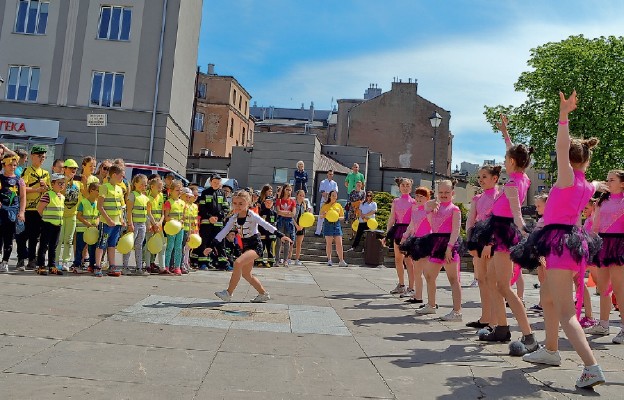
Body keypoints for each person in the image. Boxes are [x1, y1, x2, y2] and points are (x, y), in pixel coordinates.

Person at [515, 91, 605, 388]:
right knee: (550, 299)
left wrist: (563, 116)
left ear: (569, 159)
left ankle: (591, 367)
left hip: (559, 242)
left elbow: (561, 145)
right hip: (571, 241)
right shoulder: (588, 185)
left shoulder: (567, 179)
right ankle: (551, 350)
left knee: (568, 314)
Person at [470, 114, 537, 353]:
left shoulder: (510, 185)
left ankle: (529, 335)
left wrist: (526, 233)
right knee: (493, 281)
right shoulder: (523, 177)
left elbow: (517, 214)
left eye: (506, 158)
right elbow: (513, 151)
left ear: (510, 162)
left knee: (504, 286)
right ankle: (501, 328)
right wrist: (505, 132)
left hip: (503, 232)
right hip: (500, 230)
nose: (504, 159)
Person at [211, 190, 293, 302]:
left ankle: (228, 293)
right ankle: (263, 293)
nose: (237, 206)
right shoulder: (234, 217)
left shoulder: (252, 215)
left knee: (238, 263)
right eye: (235, 203)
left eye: (241, 203)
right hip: (245, 246)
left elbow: (266, 225)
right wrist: (212, 245)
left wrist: (280, 235)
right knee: (246, 274)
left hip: (255, 245)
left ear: (248, 203)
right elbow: (224, 231)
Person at [405, 180, 463, 321]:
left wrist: (449, 248)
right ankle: (431, 305)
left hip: (448, 243)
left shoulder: (454, 209)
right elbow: (428, 222)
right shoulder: (433, 207)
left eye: (447, 192)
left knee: (453, 279)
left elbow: (456, 230)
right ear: (437, 193)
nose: (443, 195)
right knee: (429, 275)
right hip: (435, 242)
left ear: (452, 193)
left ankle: (457, 312)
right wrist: (427, 208)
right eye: (441, 192)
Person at [586, 169, 624, 344]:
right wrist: (591, 242)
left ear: (622, 183)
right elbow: (596, 225)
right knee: (603, 288)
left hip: (619, 244)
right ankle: (603, 324)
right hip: (603, 243)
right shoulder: (602, 201)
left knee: (619, 289)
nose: (608, 183)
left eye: (612, 180)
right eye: (607, 180)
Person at [465, 165, 501, 329]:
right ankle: (485, 317)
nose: (481, 180)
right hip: (478, 239)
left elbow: (498, 222)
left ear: (495, 178)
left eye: (484, 176)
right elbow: (471, 221)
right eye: (479, 177)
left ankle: (495, 320)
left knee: (491, 281)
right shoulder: (477, 198)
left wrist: (490, 243)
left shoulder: (499, 196)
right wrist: (470, 243)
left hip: (492, 240)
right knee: (481, 279)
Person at [17, 145, 50, 271]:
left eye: (44, 157)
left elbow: (49, 190)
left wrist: (45, 188)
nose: (42, 159)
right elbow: (22, 188)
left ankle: (31, 259)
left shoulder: (46, 173)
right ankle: (21, 257)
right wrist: (36, 189)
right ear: (32, 157)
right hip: (27, 208)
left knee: (34, 236)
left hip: (39, 209)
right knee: (22, 235)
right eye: (39, 156)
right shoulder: (27, 171)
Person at [398, 187, 431, 304]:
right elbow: (411, 226)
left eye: (422, 196)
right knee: (417, 271)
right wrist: (404, 237)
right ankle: (418, 296)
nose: (418, 198)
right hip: (416, 242)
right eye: (417, 196)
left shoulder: (429, 211)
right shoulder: (415, 210)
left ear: (427, 198)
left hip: (427, 242)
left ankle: (431, 301)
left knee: (428, 273)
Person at [384, 177, 415, 296]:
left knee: (409, 260)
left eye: (407, 185)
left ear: (411, 187)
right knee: (398, 259)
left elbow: (414, 219)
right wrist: (387, 234)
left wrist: (411, 233)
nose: (405, 187)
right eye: (403, 185)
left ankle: (411, 288)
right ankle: (401, 285)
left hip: (408, 230)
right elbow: (392, 218)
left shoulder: (413, 202)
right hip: (398, 230)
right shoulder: (395, 201)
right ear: (399, 187)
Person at [94, 165, 126, 277]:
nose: (123, 178)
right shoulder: (104, 187)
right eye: (121, 176)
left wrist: (122, 219)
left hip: (116, 223)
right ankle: (97, 266)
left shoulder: (119, 189)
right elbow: (100, 206)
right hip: (106, 222)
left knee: (112, 245)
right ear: (114, 175)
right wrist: (108, 219)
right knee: (102, 244)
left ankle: (112, 266)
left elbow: (121, 207)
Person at [0, 152, 26, 272]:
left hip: (12, 212)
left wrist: (21, 212)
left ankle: (5, 262)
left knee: (9, 238)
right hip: (1, 211)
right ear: (4, 165)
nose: (13, 167)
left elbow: (22, 197)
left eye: (15, 165)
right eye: (10, 164)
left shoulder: (19, 181)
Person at [36, 173, 66, 275]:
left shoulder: (62, 197)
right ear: (53, 184)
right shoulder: (48, 195)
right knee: (44, 245)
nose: (62, 185)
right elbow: (39, 209)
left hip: (58, 225)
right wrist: (45, 219)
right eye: (59, 183)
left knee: (54, 246)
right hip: (48, 224)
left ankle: (52, 265)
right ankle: (41, 265)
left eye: (63, 183)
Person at [197, 174, 228, 270]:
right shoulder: (205, 193)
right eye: (214, 182)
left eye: (218, 183)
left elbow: (225, 208)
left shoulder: (222, 193)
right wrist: (209, 217)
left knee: (220, 242)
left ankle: (223, 264)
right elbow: (202, 207)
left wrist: (219, 217)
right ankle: (203, 263)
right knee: (205, 242)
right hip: (206, 222)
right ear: (210, 182)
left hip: (218, 223)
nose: (216, 184)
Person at [56, 159, 81, 271]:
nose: (73, 171)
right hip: (61, 214)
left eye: (75, 169)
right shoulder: (59, 181)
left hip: (72, 215)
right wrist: (65, 181)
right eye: (71, 169)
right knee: (59, 239)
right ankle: (55, 261)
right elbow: (58, 192)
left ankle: (66, 261)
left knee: (69, 240)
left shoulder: (77, 184)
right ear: (65, 169)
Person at [122, 174, 150, 276]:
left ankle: (139, 268)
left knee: (139, 246)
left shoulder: (145, 198)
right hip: (134, 224)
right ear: (135, 183)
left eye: (145, 185)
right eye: (141, 184)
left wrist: (148, 224)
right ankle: (125, 267)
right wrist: (130, 224)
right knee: (129, 245)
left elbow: (147, 213)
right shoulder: (132, 195)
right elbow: (129, 211)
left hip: (142, 224)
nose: (143, 187)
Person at [72, 182, 100, 273]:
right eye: (97, 191)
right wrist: (87, 223)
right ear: (91, 190)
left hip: (92, 231)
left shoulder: (97, 203)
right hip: (82, 229)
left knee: (92, 249)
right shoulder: (83, 202)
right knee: (80, 248)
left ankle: (91, 265)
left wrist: (97, 222)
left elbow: (98, 216)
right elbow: (79, 216)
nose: (99, 193)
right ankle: (77, 265)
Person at [163, 180, 186, 275]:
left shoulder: (182, 203)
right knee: (170, 247)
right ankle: (167, 265)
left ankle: (177, 267)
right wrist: (173, 221)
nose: (179, 192)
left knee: (178, 247)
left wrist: (181, 221)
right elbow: (166, 216)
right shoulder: (169, 202)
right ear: (171, 191)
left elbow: (184, 216)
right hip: (171, 228)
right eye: (177, 190)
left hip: (180, 228)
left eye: (180, 190)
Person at [321, 190, 347, 267]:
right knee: (329, 243)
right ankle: (329, 259)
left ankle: (341, 260)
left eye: (335, 195)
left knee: (339, 243)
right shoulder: (325, 205)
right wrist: (324, 214)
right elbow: (321, 216)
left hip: (336, 224)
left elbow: (342, 217)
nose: (334, 197)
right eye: (333, 195)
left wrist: (337, 217)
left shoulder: (338, 206)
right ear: (330, 196)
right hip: (328, 224)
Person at [144, 177, 165, 273]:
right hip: (150, 223)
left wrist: (160, 222)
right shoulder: (147, 198)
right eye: (158, 187)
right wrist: (153, 223)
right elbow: (148, 212)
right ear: (152, 187)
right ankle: (148, 265)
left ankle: (161, 266)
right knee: (149, 244)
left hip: (159, 224)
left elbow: (162, 212)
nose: (160, 189)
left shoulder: (161, 196)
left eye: (161, 187)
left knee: (161, 245)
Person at [275, 184, 296, 266]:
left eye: (290, 190)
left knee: (287, 241)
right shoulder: (279, 200)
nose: (288, 191)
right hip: (280, 221)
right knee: (279, 241)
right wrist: (287, 213)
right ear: (284, 190)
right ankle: (277, 259)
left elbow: (293, 214)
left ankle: (285, 260)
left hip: (289, 222)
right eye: (287, 189)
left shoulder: (292, 201)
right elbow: (278, 211)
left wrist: (285, 213)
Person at [315, 170, 338, 236]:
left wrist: (330, 195)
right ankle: (318, 232)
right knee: (321, 216)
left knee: (330, 216)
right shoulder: (323, 182)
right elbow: (322, 192)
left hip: (331, 202)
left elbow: (335, 192)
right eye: (329, 174)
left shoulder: (334, 183)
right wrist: (327, 195)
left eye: (332, 174)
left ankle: (328, 232)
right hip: (324, 201)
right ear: (327, 174)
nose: (331, 175)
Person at [293, 189, 313, 265]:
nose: (302, 197)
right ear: (297, 195)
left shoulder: (305, 204)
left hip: (302, 225)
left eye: (303, 195)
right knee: (291, 243)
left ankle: (297, 259)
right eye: (300, 195)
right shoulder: (294, 203)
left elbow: (307, 216)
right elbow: (292, 216)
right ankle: (288, 258)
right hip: (294, 223)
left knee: (299, 243)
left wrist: (301, 225)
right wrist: (296, 225)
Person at [258, 196, 277, 267]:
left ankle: (270, 262)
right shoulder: (261, 212)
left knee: (270, 249)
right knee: (261, 248)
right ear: (264, 203)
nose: (268, 204)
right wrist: (259, 232)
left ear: (272, 203)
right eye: (267, 202)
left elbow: (275, 224)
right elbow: (259, 223)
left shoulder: (274, 213)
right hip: (263, 233)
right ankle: (260, 261)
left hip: (271, 234)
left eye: (270, 202)